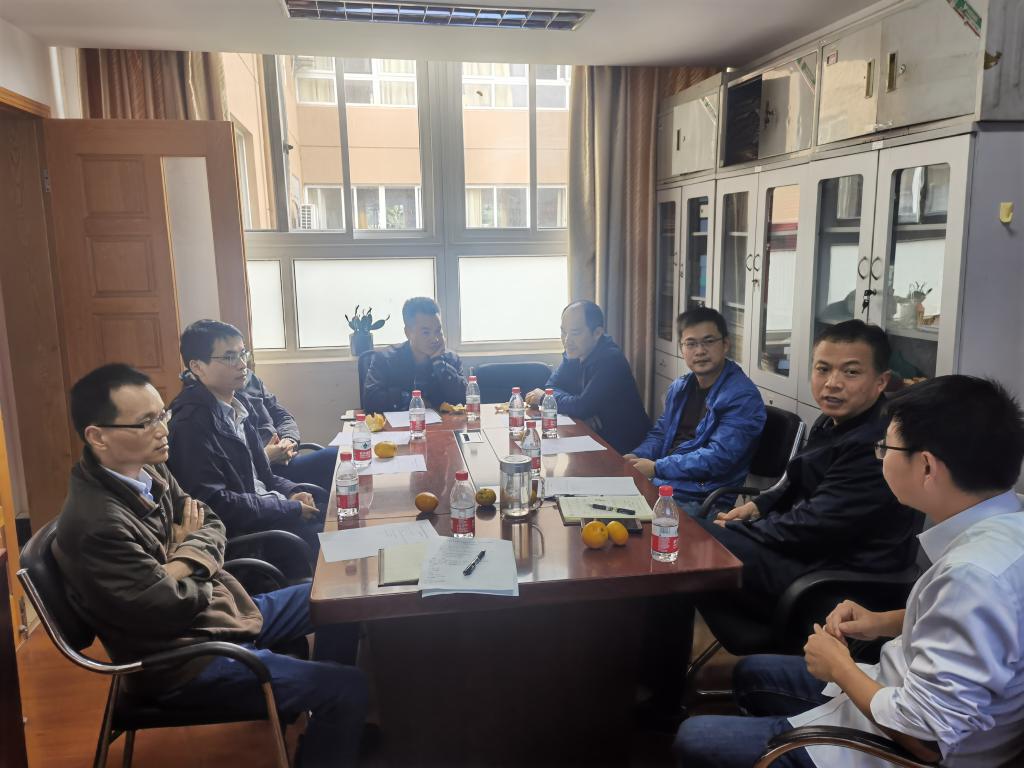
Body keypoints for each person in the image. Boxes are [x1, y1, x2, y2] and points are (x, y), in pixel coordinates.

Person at [675, 375, 1024, 768]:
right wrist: (882, 621)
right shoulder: (1008, 529)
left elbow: (925, 739)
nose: (880, 456)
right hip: (895, 684)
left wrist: (840, 669)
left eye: (885, 448)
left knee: (694, 738)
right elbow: (968, 627)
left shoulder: (973, 577)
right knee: (752, 673)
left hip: (894, 746)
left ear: (927, 467)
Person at [55, 363, 367, 767]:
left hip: (221, 613)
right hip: (187, 659)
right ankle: (331, 710)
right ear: (98, 436)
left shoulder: (147, 467)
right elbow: (168, 607)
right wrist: (189, 556)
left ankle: (329, 721)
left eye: (162, 415)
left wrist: (180, 561)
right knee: (348, 687)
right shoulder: (98, 524)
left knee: (342, 599)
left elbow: (211, 521)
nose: (163, 430)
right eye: (146, 422)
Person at [643, 320, 921, 721]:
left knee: (679, 539)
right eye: (823, 369)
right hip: (802, 552)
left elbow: (813, 527)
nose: (832, 383)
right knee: (676, 548)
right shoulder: (836, 421)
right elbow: (795, 479)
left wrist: (742, 530)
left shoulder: (873, 445)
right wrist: (757, 507)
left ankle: (660, 701)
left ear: (881, 381)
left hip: (828, 574)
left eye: (850, 372)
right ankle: (653, 678)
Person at [168, 320, 324, 553]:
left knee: (342, 517)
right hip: (251, 537)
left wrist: (291, 491)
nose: (242, 364)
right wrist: (287, 508)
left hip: (269, 514)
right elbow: (216, 503)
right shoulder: (190, 425)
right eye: (229, 357)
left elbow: (261, 477)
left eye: (243, 354)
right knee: (335, 538)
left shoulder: (239, 405)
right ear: (197, 367)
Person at [623, 307, 765, 515]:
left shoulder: (742, 397)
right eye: (691, 344)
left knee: (630, 521)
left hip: (701, 496)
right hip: (665, 482)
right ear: (682, 349)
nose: (700, 351)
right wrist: (636, 456)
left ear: (725, 344)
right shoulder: (680, 387)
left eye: (709, 341)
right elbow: (661, 434)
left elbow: (718, 458)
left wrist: (656, 467)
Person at [524, 300, 650, 454]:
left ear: (597, 333)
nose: (567, 340)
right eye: (563, 332)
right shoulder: (575, 352)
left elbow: (580, 406)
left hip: (627, 448)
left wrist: (545, 398)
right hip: (594, 438)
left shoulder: (610, 360)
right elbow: (552, 387)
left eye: (575, 333)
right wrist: (581, 411)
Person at [362, 296, 466, 413]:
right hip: (400, 424)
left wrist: (440, 364)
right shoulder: (385, 359)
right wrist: (413, 401)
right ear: (408, 333)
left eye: (438, 331)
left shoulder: (451, 360)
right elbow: (370, 402)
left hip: (443, 424)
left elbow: (466, 400)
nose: (435, 339)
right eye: (426, 332)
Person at [243, 370, 338, 491]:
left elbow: (284, 416)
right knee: (332, 460)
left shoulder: (251, 378)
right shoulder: (224, 405)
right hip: (262, 471)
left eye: (243, 358)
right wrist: (266, 456)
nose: (242, 365)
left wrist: (288, 440)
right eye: (229, 359)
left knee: (338, 460)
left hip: (285, 457)